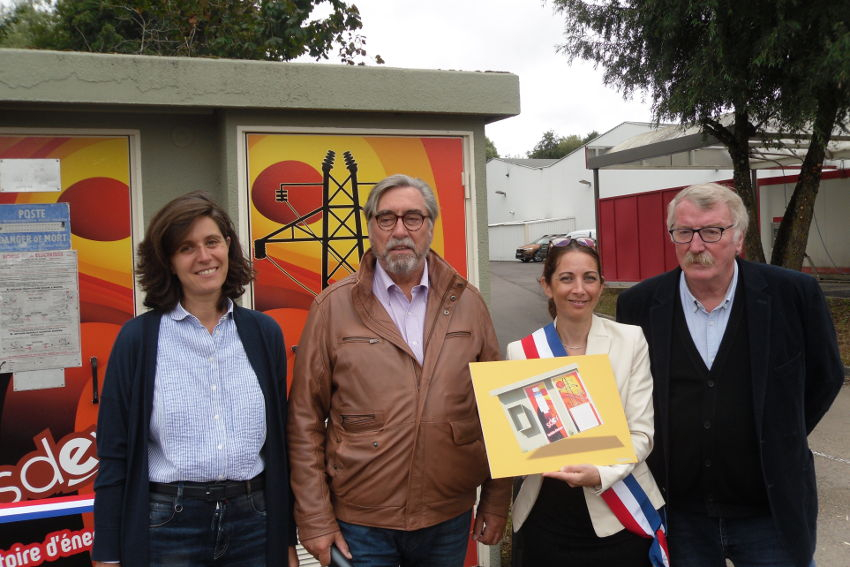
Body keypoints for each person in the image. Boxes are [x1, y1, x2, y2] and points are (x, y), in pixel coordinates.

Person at [287, 173, 511, 567]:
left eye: (413, 217)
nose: (400, 230)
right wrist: (315, 518)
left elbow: (497, 409)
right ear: (371, 227)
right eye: (386, 218)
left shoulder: (468, 303)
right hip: (361, 524)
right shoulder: (332, 307)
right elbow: (304, 419)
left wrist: (495, 501)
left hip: (447, 518)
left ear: (430, 226)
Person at [617, 182, 844, 567]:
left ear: (739, 238)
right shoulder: (639, 305)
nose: (696, 245)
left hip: (770, 512)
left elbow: (826, 377)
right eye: (684, 232)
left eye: (712, 231)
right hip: (678, 513)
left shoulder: (793, 294)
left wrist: (779, 432)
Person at [91, 191, 298, 567]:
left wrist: (286, 539)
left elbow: (281, 448)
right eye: (186, 248)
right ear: (169, 261)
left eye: (212, 242)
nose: (204, 256)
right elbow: (114, 454)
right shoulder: (137, 340)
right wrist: (106, 553)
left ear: (228, 246)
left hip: (255, 521)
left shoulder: (264, 333)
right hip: (167, 526)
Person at [507, 236, 667, 566]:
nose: (579, 289)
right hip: (547, 519)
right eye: (566, 278)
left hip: (619, 516)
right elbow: (519, 441)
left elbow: (642, 434)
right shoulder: (521, 352)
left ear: (601, 285)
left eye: (589, 278)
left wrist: (600, 473)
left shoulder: (630, 341)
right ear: (547, 285)